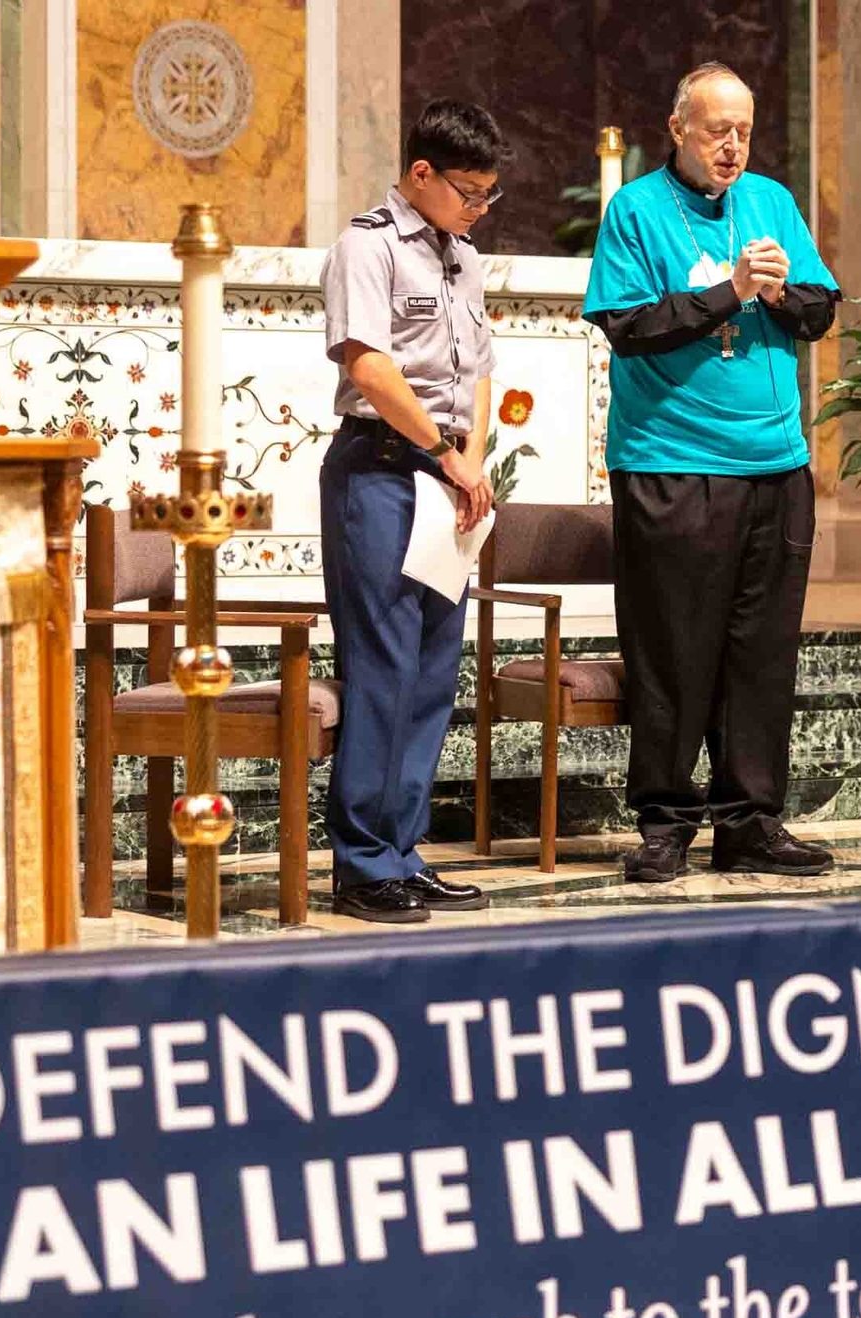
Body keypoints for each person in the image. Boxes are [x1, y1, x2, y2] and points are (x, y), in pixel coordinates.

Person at [582, 62, 841, 883]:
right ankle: (665, 820)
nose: (733, 146)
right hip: (672, 462)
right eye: (716, 130)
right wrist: (730, 293)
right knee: (673, 651)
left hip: (775, 463)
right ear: (678, 128)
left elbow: (821, 306)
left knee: (760, 653)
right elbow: (628, 325)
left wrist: (779, 295)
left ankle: (751, 820)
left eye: (744, 131)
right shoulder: (635, 210)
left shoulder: (771, 202)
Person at [319, 100, 506, 923]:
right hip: (384, 472)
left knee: (432, 674)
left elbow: (481, 372)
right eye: (469, 192)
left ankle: (403, 849)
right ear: (420, 174)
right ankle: (362, 863)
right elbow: (370, 368)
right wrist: (443, 452)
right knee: (384, 666)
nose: (477, 209)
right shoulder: (365, 247)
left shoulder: (465, 259)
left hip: (445, 478)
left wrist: (473, 458)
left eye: (489, 196)